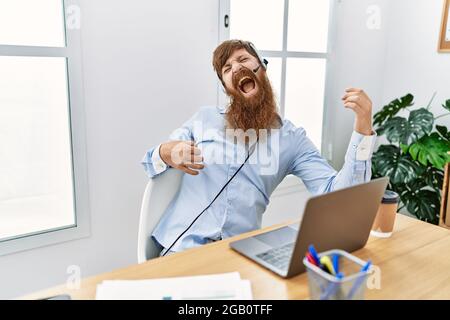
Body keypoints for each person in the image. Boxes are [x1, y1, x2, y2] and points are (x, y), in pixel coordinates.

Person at [142, 40, 376, 256]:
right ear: (226, 87)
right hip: (181, 249)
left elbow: (339, 197)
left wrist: (363, 130)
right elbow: (150, 161)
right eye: (227, 68)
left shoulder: (291, 139)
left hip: (239, 253)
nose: (236, 68)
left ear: (262, 67)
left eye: (243, 60)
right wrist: (168, 152)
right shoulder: (204, 119)